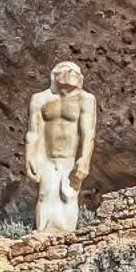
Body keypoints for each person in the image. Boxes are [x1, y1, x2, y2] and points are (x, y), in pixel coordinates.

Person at [24, 60, 97, 234]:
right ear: (55, 76)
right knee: (44, 194)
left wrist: (84, 159)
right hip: (46, 156)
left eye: (74, 72)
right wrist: (29, 157)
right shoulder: (40, 99)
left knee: (68, 195)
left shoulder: (86, 99)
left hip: (70, 157)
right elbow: (33, 131)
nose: (70, 75)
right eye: (66, 71)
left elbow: (89, 133)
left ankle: (65, 234)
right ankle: (43, 233)